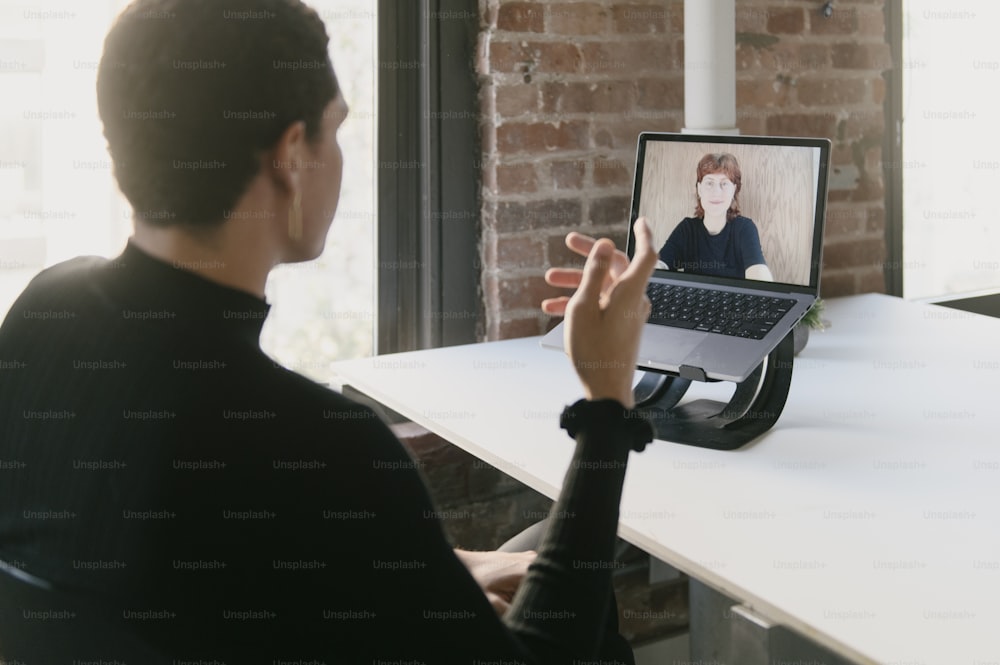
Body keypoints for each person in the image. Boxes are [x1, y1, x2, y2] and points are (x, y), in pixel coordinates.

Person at [0, 0, 658, 662]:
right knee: (588, 605)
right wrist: (606, 403)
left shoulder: (41, 317)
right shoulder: (319, 446)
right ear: (290, 154)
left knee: (539, 559)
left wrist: (444, 566)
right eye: (335, 130)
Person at [658, 152, 774, 281]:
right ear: (700, 189)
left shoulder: (744, 228)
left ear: (734, 190)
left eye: (724, 184)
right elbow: (661, 264)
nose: (716, 192)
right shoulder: (687, 229)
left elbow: (758, 271)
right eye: (709, 183)